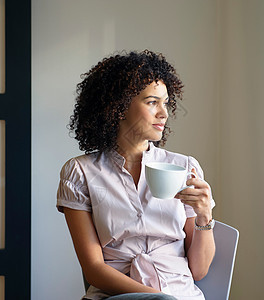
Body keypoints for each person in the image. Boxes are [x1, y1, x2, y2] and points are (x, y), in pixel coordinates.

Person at [57, 50, 215, 300]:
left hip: (181, 294)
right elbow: (94, 270)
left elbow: (199, 270)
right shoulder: (80, 173)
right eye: (152, 102)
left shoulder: (186, 167)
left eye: (165, 102)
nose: (163, 113)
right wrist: (160, 299)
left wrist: (204, 215)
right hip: (116, 297)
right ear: (118, 107)